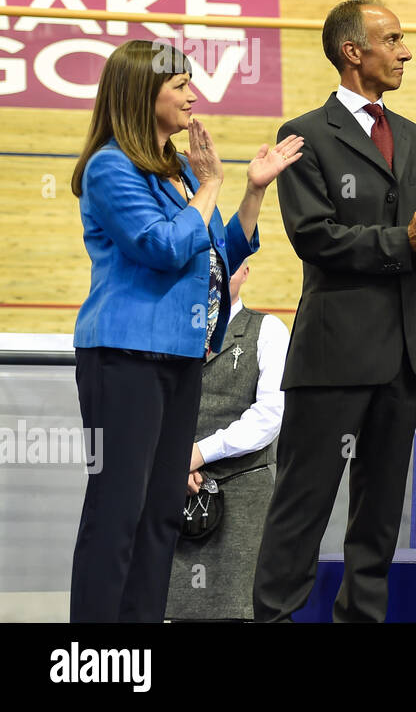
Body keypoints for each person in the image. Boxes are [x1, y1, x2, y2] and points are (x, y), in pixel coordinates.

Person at [69, 39, 302, 622]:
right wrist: (210, 187)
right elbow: (164, 246)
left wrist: (250, 190)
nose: (193, 96)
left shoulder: (174, 169)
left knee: (160, 513)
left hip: (178, 359)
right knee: (118, 511)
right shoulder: (109, 166)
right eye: (180, 87)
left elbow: (215, 252)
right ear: (143, 95)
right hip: (124, 357)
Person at [253, 0, 416, 622]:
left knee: (376, 521)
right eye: (392, 39)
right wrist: (409, 239)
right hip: (334, 356)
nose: (404, 51)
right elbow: (315, 237)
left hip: (403, 356)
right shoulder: (306, 135)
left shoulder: (415, 139)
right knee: (302, 507)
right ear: (353, 52)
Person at [167, 260, 288, 621]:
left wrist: (198, 453)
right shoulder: (172, 331)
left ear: (246, 273)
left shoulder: (268, 330)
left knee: (242, 610)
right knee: (176, 609)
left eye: (229, 267)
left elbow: (269, 416)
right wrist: (173, 461)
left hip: (244, 501)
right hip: (178, 493)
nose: (218, 277)